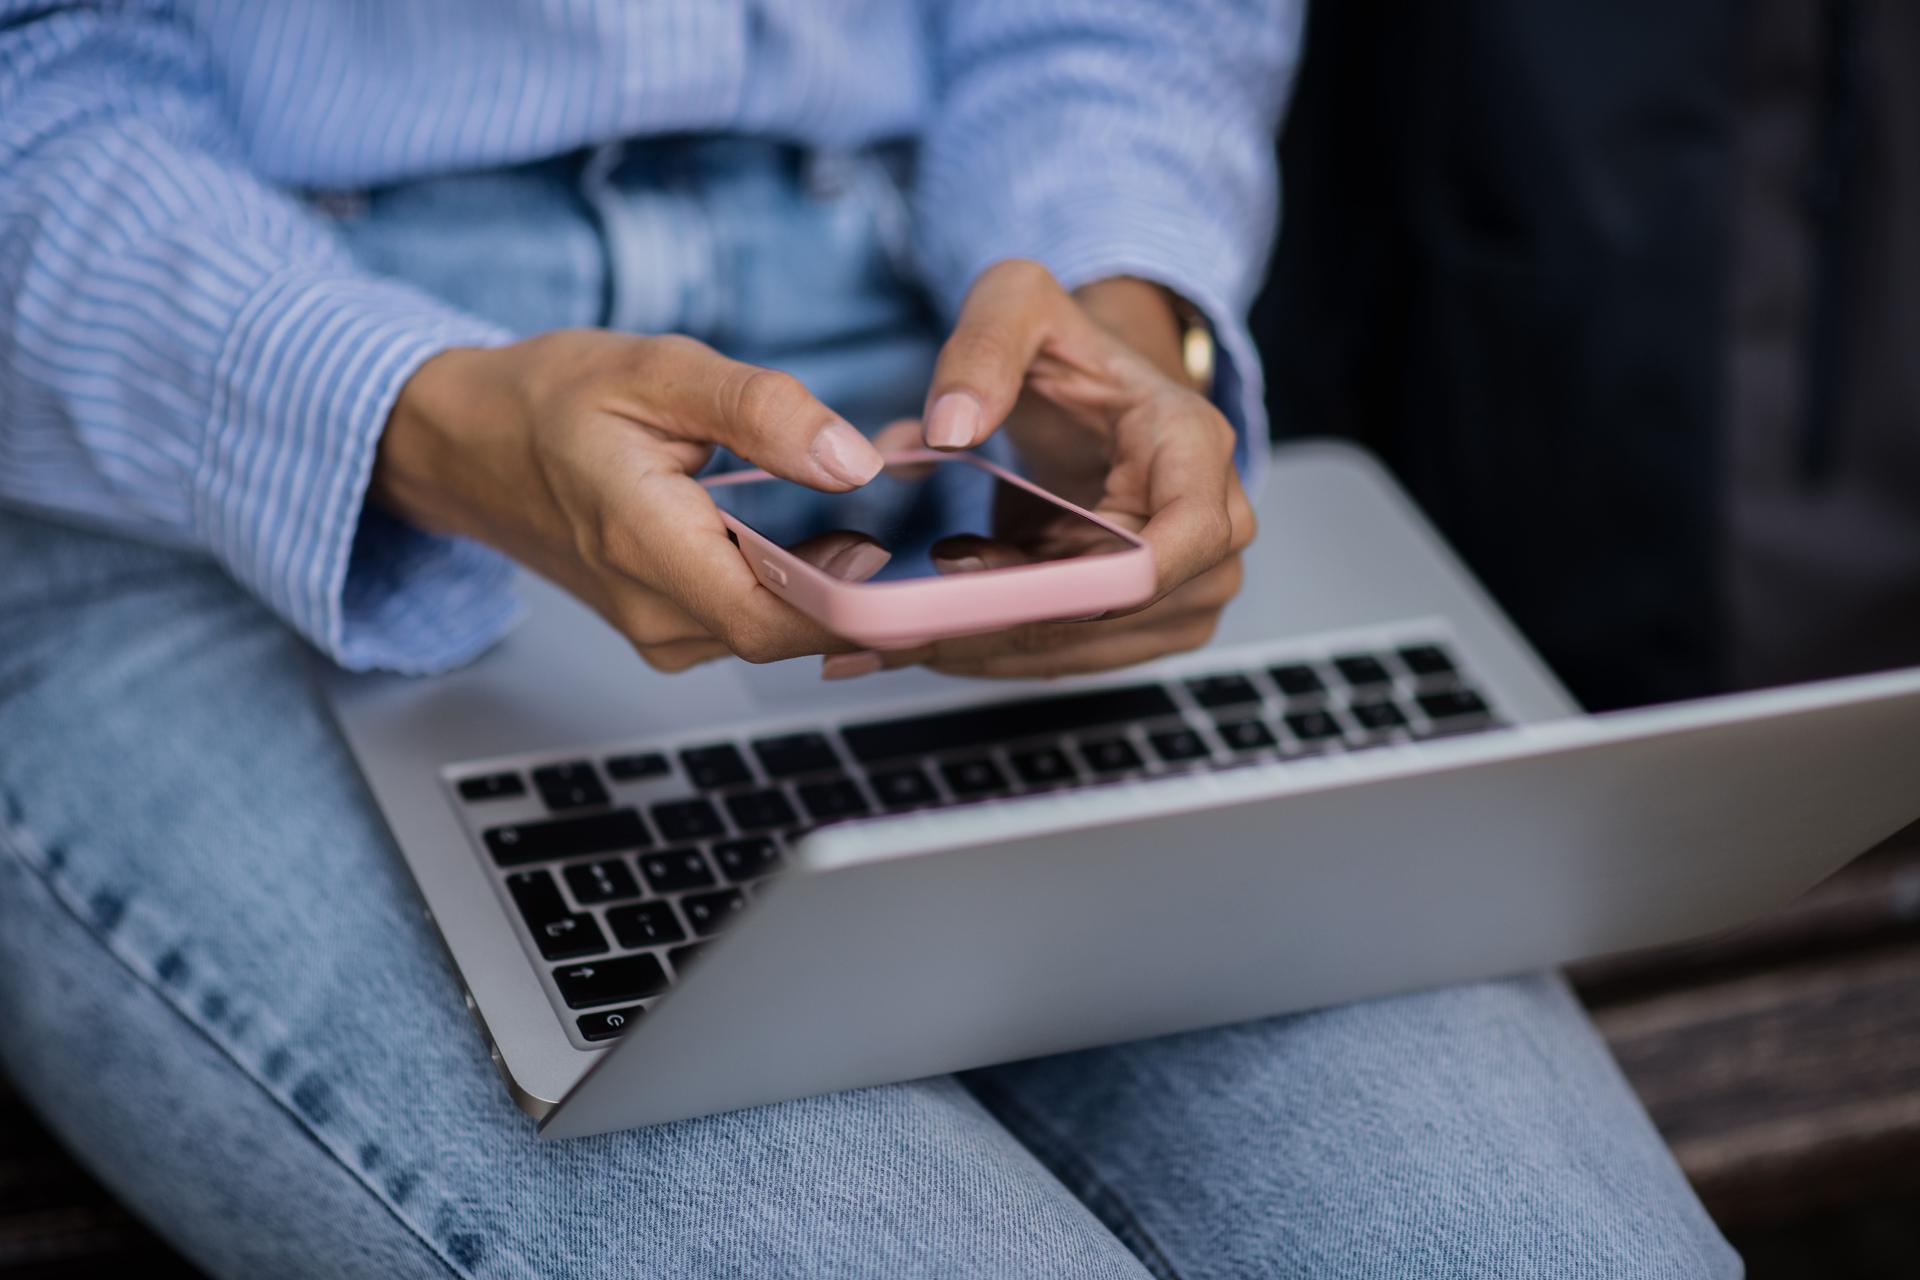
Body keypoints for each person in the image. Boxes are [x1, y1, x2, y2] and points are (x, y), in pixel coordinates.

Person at [0, 3, 1739, 1276]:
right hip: (182, 469)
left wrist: (1116, 308)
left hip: (927, 370)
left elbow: (1119, 31)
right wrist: (410, 415)